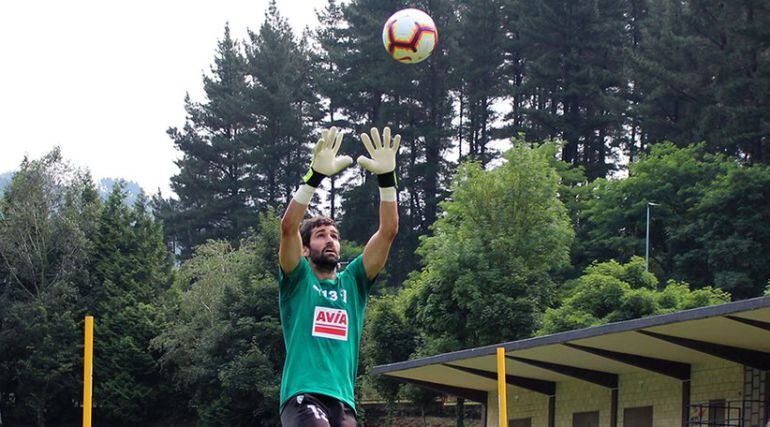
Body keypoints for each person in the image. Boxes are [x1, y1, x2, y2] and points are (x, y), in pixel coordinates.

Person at [278, 126, 400, 427]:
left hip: (344, 402)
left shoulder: (354, 281)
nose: (330, 240)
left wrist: (386, 180)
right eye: (321, 236)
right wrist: (314, 177)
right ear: (306, 249)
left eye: (334, 235)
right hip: (303, 396)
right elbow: (288, 227)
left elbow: (388, 232)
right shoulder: (298, 279)